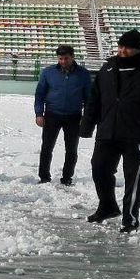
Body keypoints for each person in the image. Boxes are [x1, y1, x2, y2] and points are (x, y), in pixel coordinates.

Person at [79, 29, 140, 233]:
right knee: (99, 169)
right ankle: (107, 206)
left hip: (138, 135)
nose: (123, 50)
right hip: (107, 132)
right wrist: (87, 125)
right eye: (121, 46)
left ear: (138, 49)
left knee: (133, 179)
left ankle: (130, 218)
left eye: (128, 47)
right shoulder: (107, 69)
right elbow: (94, 100)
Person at [33, 44, 92, 185]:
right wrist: (39, 113)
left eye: (66, 58)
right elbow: (40, 94)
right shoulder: (48, 72)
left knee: (71, 149)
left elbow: (89, 97)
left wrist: (86, 116)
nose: (63, 62)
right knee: (47, 147)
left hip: (74, 116)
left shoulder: (83, 74)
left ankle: (67, 178)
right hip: (52, 114)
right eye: (60, 59)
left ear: (72, 57)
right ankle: (44, 176)